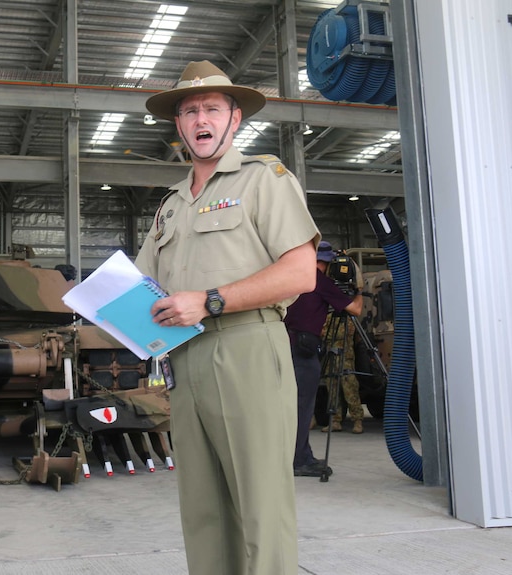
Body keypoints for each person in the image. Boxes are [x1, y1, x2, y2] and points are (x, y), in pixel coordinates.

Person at [134, 61, 320, 575]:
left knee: (261, 506)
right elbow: (140, 287)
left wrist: (211, 300)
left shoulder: (265, 180)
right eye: (190, 110)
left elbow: (301, 273)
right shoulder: (170, 205)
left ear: (234, 119)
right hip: (183, 357)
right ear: (179, 125)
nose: (201, 118)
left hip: (247, 349)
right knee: (203, 510)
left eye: (212, 108)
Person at [284, 241, 363, 477]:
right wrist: (358, 291)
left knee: (291, 405)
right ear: (327, 263)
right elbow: (355, 309)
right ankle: (298, 460)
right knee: (302, 405)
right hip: (303, 349)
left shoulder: (292, 278)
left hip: (284, 344)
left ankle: (301, 454)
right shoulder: (319, 280)